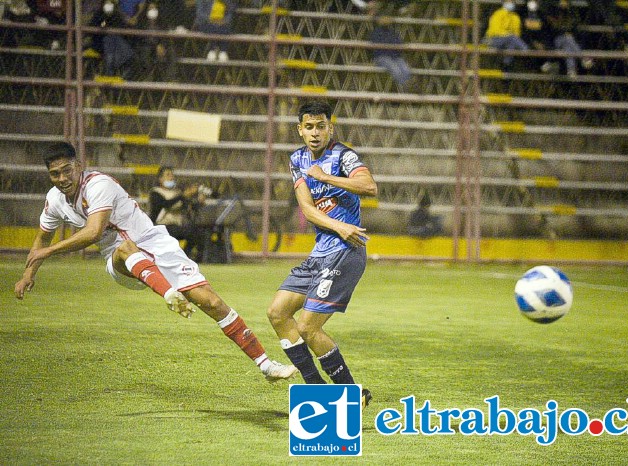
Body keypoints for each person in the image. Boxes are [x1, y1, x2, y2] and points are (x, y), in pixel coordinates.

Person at [14, 142, 298, 383]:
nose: (62, 178)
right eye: (55, 174)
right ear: (49, 175)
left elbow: (93, 231)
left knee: (212, 303)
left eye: (66, 170)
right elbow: (43, 239)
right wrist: (28, 274)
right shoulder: (55, 201)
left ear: (78, 165)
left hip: (156, 245)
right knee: (125, 247)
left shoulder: (98, 184)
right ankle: (169, 293)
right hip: (121, 261)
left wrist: (46, 254)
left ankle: (265, 365)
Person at [266, 101, 377, 407]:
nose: (315, 133)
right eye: (309, 127)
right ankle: (316, 389)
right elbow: (307, 209)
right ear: (300, 130)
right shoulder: (298, 159)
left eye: (321, 126)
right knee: (277, 313)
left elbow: (369, 186)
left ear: (331, 127)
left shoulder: (344, 155)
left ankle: (352, 394)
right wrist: (339, 225)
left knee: (307, 327)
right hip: (321, 252)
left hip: (346, 253)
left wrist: (326, 178)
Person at [149, 166, 209, 262]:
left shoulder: (176, 192)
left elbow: (189, 206)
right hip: (161, 226)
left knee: (198, 232)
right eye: (168, 175)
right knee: (185, 231)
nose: (171, 177)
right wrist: (183, 195)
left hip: (176, 226)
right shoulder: (156, 193)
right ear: (160, 179)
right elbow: (166, 204)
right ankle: (183, 259)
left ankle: (187, 258)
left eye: (172, 175)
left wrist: (199, 202)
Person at [541, 0, 592, 78]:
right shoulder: (553, 13)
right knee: (568, 38)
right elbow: (553, 29)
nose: (563, 3)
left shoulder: (571, 14)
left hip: (569, 42)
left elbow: (575, 28)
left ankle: (571, 70)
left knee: (568, 46)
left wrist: (567, 32)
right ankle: (583, 58)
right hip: (556, 40)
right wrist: (565, 32)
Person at [369, 15, 413, 90]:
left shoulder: (393, 32)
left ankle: (409, 84)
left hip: (395, 57)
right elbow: (378, 47)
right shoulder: (376, 33)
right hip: (381, 57)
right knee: (395, 69)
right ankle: (408, 86)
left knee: (406, 69)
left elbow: (399, 43)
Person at [484, 0, 529, 72]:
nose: (510, 3)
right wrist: (508, 35)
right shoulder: (498, 14)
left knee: (512, 43)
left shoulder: (516, 17)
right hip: (493, 40)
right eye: (508, 1)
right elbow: (495, 30)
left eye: (512, 2)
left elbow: (517, 33)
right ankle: (526, 50)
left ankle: (506, 65)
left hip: (508, 41)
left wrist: (509, 36)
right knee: (512, 38)